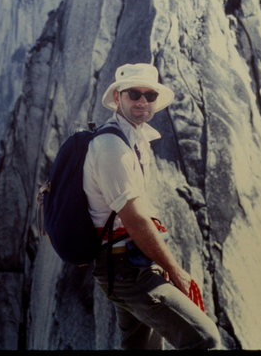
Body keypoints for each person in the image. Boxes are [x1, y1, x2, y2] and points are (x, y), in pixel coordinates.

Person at [83, 62, 221, 350]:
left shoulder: (135, 139)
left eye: (150, 95)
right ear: (118, 97)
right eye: (134, 93)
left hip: (130, 264)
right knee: (204, 339)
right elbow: (134, 219)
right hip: (127, 270)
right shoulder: (111, 147)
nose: (143, 101)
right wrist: (176, 270)